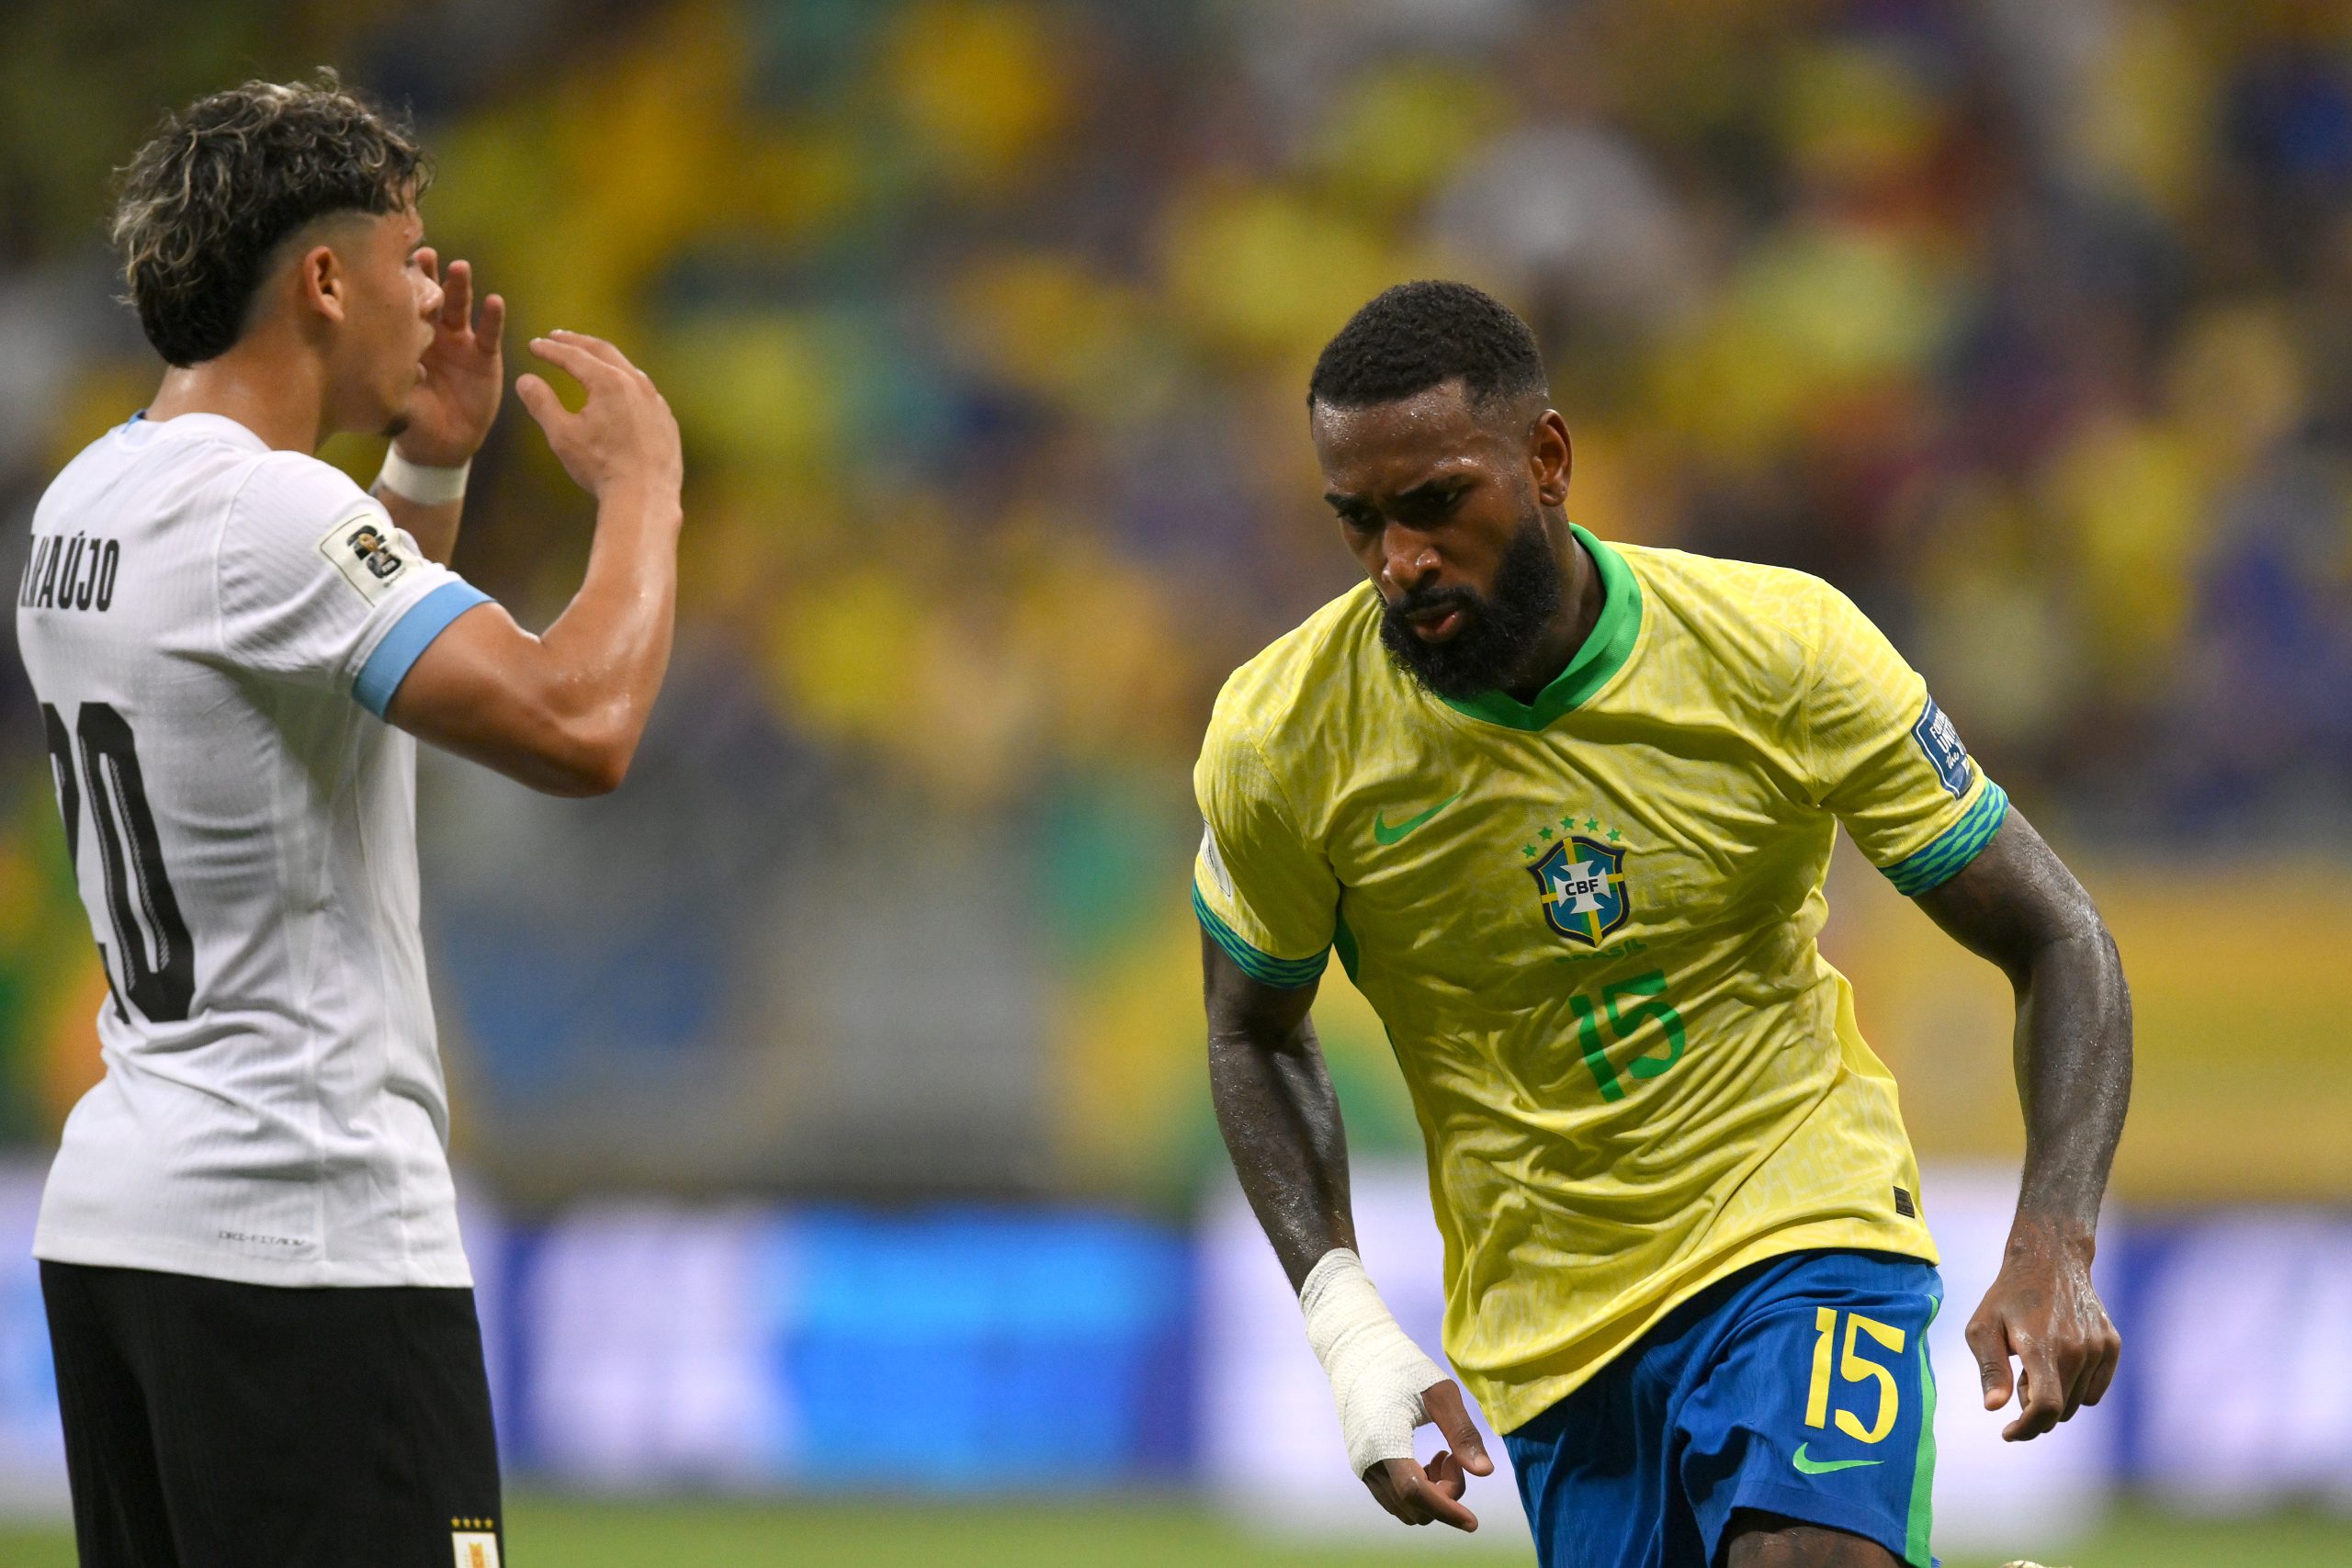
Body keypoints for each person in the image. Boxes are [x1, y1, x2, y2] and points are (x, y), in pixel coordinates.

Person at [1194, 281, 2130, 1568]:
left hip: (1797, 1227)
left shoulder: (1778, 652)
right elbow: (1251, 1030)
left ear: (1548, 460)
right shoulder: (1286, 739)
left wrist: (2053, 1237)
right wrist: (1347, 1324)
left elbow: (2060, 935)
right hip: (1552, 1336)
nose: (1400, 563)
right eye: (1359, 523)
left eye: (1436, 507)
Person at [15, 74, 684, 1567]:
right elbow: (581, 727)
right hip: (303, 1244)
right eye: (408, 256)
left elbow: (331, 685)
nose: (432, 290)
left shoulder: (85, 503)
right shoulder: (263, 518)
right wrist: (646, 494)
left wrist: (431, 466)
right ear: (323, 280)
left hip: (125, 1227)